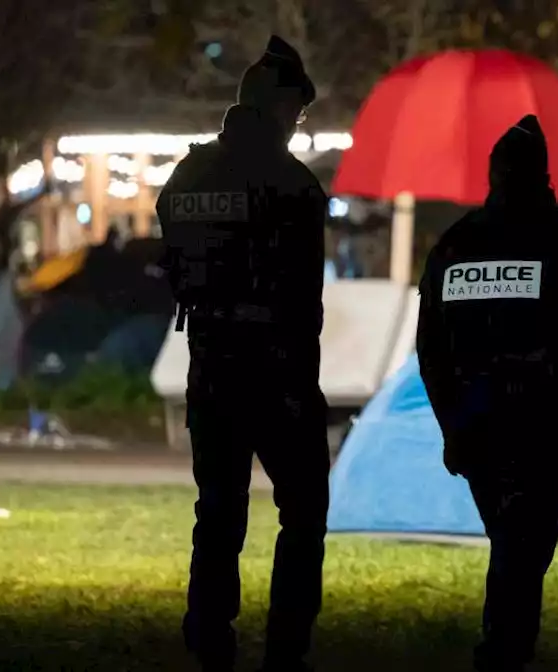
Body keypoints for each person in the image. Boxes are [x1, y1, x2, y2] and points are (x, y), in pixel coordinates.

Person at [416, 115, 558, 672]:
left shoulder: (455, 243)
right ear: (543, 177)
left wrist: (450, 427)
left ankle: (504, 649)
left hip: (474, 419)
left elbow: (430, 348)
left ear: (493, 176)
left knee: (513, 544)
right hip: (542, 419)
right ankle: (500, 655)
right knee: (524, 549)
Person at [156, 35, 329, 672]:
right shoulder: (293, 182)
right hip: (278, 369)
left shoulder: (190, 172)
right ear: (280, 106)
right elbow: (304, 297)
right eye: (299, 113)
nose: (298, 125)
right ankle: (287, 646)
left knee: (219, 510)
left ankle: (208, 637)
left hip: (212, 362)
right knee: (305, 509)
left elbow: (173, 264)